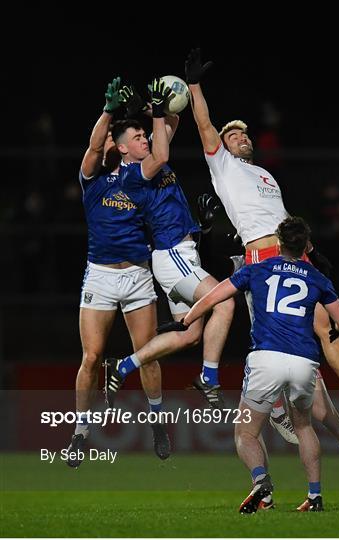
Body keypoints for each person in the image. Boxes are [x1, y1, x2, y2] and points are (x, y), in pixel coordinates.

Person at [184, 48, 339, 508]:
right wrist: (196, 87)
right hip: (262, 263)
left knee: (323, 331)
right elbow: (204, 127)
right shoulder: (223, 164)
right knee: (297, 348)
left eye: (243, 133)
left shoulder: (265, 176)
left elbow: (285, 221)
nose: (239, 137)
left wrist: (314, 254)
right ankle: (286, 408)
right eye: (232, 133)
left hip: (292, 258)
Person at [170, 216, 339, 512]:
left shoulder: (257, 269)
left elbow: (215, 297)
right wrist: (337, 331)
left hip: (267, 358)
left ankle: (261, 483)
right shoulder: (317, 277)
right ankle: (315, 496)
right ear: (305, 245)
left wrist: (187, 321)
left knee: (246, 432)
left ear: (278, 243)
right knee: (304, 426)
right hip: (305, 361)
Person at [103, 81, 235, 410]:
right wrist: (158, 112)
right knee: (225, 301)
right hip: (173, 254)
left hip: (181, 254)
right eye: (135, 137)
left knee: (189, 335)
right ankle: (209, 378)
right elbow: (162, 151)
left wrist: (154, 109)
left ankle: (124, 365)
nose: (142, 138)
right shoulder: (130, 174)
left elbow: (172, 123)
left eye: (142, 134)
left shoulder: (146, 154)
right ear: (122, 149)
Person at [66, 77, 170, 467]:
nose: (108, 141)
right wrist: (108, 111)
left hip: (138, 276)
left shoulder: (139, 174)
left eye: (116, 137)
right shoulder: (92, 178)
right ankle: (80, 434)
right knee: (91, 358)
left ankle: (158, 422)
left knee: (146, 355)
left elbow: (160, 146)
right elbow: (94, 145)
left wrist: (158, 112)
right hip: (101, 276)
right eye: (111, 137)